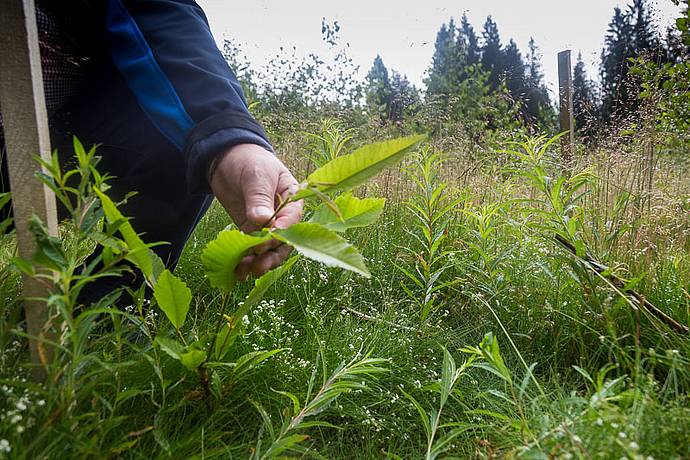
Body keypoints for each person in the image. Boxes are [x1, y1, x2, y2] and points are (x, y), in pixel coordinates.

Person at [0, 0, 303, 297]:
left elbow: (159, 13)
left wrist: (230, 142)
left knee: (180, 133)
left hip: (48, 150)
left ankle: (103, 317)